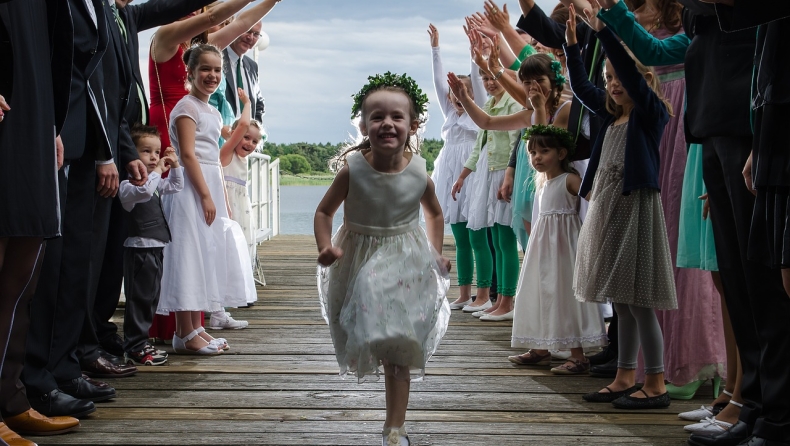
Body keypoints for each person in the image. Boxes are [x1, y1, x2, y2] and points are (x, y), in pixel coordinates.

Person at [314, 72, 451, 446]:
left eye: (396, 116)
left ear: (413, 124)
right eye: (376, 117)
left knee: (398, 342)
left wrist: (436, 252)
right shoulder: (353, 169)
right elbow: (324, 212)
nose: (387, 123)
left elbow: (435, 214)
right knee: (373, 332)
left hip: (405, 258)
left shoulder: (420, 172)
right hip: (358, 253)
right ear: (362, 124)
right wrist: (325, 246)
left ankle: (395, 428)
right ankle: (392, 412)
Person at [89, 0, 219, 360]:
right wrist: (154, 165)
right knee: (138, 291)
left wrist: (169, 168)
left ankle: (156, 334)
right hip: (140, 237)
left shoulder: (130, 17)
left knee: (149, 289)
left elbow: (168, 187)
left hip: (154, 237)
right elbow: (140, 193)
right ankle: (137, 340)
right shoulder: (164, 37)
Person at [564, 5, 677, 410]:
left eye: (618, 78)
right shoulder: (610, 117)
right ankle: (624, 375)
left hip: (635, 209)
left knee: (639, 300)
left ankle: (657, 382)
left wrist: (607, 32)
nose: (612, 85)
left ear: (642, 79)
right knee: (621, 300)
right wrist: (573, 43)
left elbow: (629, 74)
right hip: (609, 210)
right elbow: (579, 84)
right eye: (608, 78)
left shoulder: (650, 114)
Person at [148, 0, 283, 338]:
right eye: (191, 5)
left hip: (202, 144)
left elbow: (238, 24)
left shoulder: (196, 49)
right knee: (179, 235)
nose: (197, 12)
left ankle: (195, 323)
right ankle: (173, 327)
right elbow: (214, 17)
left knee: (201, 236)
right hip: (172, 134)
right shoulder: (165, 37)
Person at [0, 1, 82, 443]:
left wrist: (52, 124)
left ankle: (10, 401)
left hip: (33, 119)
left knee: (20, 281)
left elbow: (55, 52)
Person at [157, 44, 257, 354]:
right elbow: (188, 154)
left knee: (203, 255)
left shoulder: (211, 111)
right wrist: (204, 195)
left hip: (209, 184)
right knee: (188, 254)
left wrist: (220, 197)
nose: (212, 75)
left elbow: (214, 156)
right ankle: (183, 333)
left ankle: (195, 328)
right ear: (190, 72)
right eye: (205, 69)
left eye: (217, 70)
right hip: (190, 189)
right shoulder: (186, 108)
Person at [507, 125, 607, 374]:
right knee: (542, 292)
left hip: (565, 247)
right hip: (543, 247)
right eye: (532, 153)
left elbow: (595, 202)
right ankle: (541, 347)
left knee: (565, 295)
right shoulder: (542, 184)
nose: (536, 157)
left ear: (561, 154)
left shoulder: (570, 180)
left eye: (544, 151)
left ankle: (578, 355)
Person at [448, 66, 522, 322]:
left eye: (493, 77)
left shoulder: (514, 104)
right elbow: (479, 146)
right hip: (488, 174)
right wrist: (462, 176)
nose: (490, 83)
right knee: (499, 240)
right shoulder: (489, 105)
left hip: (505, 173)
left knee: (506, 240)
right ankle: (499, 300)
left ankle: (507, 300)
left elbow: (515, 142)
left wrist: (510, 176)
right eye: (486, 78)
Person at [426, 24, 487, 311]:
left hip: (472, 175)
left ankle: (484, 294)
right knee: (460, 238)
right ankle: (463, 293)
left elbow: (475, 77)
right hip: (450, 176)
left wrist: (473, 53)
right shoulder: (450, 113)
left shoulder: (479, 112)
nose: (454, 96)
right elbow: (439, 83)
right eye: (453, 92)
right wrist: (435, 49)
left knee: (477, 239)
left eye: (461, 91)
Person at [119, 125, 184, 366]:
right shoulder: (128, 185)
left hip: (155, 247)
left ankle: (140, 342)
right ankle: (135, 345)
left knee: (151, 298)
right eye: (146, 151)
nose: (154, 157)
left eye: (156, 152)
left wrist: (175, 166)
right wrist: (157, 170)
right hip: (139, 247)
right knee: (140, 299)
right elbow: (145, 192)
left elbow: (176, 186)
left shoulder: (153, 180)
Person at [220, 90, 264, 289]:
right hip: (228, 207)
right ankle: (228, 288)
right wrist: (246, 103)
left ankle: (240, 288)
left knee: (243, 245)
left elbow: (239, 130)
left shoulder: (242, 158)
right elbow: (237, 128)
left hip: (242, 208)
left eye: (255, 141)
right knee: (228, 247)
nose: (250, 144)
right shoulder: (226, 154)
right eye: (246, 137)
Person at [222, 20, 266, 122]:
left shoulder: (252, 66)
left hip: (246, 135)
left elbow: (258, 104)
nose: (250, 37)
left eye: (256, 34)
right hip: (221, 134)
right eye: (247, 31)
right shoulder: (216, 57)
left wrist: (255, 129)